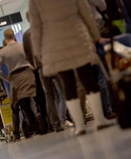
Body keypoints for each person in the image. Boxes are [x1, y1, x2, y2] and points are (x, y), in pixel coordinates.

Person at [29, 0, 114, 135]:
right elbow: (86, 13)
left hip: (54, 44)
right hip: (78, 36)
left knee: (67, 84)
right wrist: (95, 35)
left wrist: (38, 51)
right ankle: (100, 119)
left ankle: (79, 125)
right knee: (88, 80)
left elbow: (36, 26)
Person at [0, 28, 37, 140]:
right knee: (30, 103)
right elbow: (31, 58)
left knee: (19, 107)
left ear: (4, 38)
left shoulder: (3, 53)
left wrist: (5, 78)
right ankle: (36, 127)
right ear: (14, 35)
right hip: (27, 75)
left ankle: (22, 131)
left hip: (14, 80)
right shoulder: (21, 46)